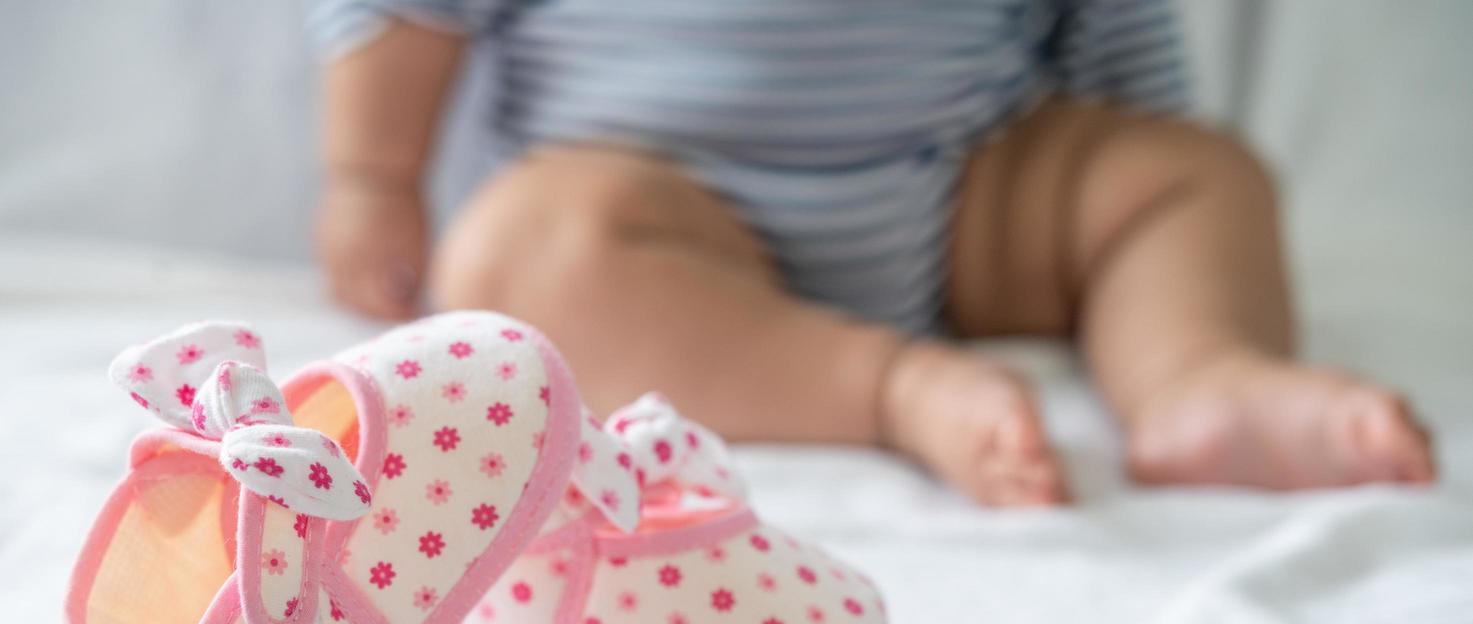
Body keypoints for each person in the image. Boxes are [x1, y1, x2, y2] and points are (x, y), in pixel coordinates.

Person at [312, 0, 1434, 506]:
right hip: (666, 223)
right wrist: (373, 177)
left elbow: (1111, 39)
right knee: (512, 254)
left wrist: (1126, 188)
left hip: (967, 203)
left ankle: (1197, 374)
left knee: (1194, 172)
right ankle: (891, 390)